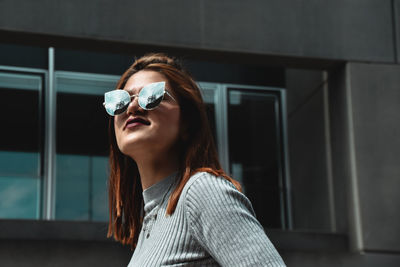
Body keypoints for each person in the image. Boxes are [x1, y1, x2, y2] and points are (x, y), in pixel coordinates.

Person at [104, 53, 286, 266]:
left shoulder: (202, 191)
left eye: (152, 96)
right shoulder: (151, 223)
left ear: (187, 123)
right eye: (120, 101)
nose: (132, 107)